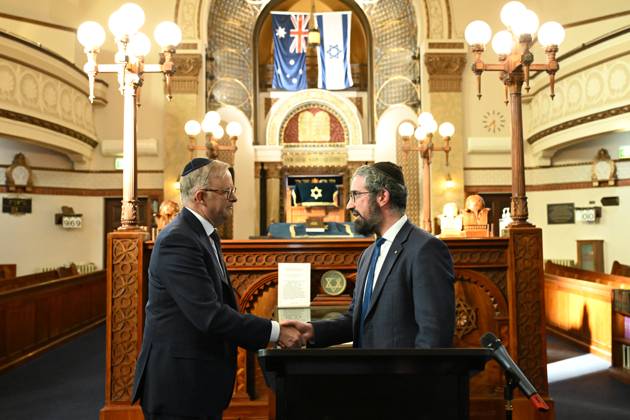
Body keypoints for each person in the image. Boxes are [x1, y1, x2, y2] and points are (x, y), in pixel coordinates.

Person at [132, 158, 302, 420]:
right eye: (227, 192)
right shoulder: (178, 240)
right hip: (178, 385)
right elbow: (209, 316)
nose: (233, 199)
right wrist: (276, 332)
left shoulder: (204, 234)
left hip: (198, 381)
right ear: (201, 196)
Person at [286, 162, 454, 348]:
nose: (350, 205)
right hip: (368, 375)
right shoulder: (368, 255)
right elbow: (358, 320)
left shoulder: (425, 249)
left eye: (355, 195)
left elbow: (434, 336)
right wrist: (313, 331)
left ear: (382, 196)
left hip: (403, 376)